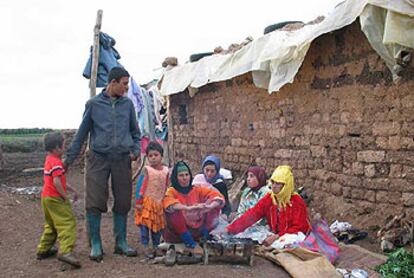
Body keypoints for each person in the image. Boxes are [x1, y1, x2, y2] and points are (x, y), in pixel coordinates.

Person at [64, 67, 141, 261]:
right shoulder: (93, 104)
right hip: (98, 159)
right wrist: (68, 160)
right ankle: (96, 244)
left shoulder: (127, 105)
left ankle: (120, 242)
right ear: (112, 82)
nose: (126, 88)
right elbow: (81, 134)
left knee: (123, 200)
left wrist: (135, 151)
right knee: (95, 201)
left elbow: (136, 133)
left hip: (122, 159)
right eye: (124, 84)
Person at [224, 165, 310, 247]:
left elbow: (300, 227)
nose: (274, 186)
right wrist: (230, 229)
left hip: (293, 235)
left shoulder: (296, 201)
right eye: (273, 182)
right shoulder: (269, 198)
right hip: (276, 235)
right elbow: (252, 214)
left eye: (278, 183)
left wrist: (277, 236)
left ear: (286, 185)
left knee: (287, 242)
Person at [36, 132, 80, 268]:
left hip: (46, 197)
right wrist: (65, 197)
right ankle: (66, 251)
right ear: (56, 148)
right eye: (63, 146)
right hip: (55, 198)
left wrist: (72, 190)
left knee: (51, 224)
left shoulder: (49, 159)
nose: (64, 148)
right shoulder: (56, 162)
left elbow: (58, 180)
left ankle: (43, 249)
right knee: (67, 223)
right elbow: (57, 182)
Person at [163, 161, 225, 255]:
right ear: (176, 177)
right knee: (174, 212)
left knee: (214, 206)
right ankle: (190, 243)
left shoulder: (197, 189)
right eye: (181, 175)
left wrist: (209, 206)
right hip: (178, 233)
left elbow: (217, 196)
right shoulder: (171, 191)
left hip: (197, 230)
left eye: (187, 175)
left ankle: (205, 238)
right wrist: (188, 208)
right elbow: (168, 203)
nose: (185, 178)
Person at [135, 141, 169, 259]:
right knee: (145, 226)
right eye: (150, 156)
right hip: (146, 203)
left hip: (159, 203)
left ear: (161, 156)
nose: (153, 158)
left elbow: (166, 186)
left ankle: (156, 246)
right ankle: (146, 247)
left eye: (156, 155)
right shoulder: (147, 170)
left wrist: (166, 200)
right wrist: (138, 202)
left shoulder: (166, 171)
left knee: (157, 227)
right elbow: (141, 186)